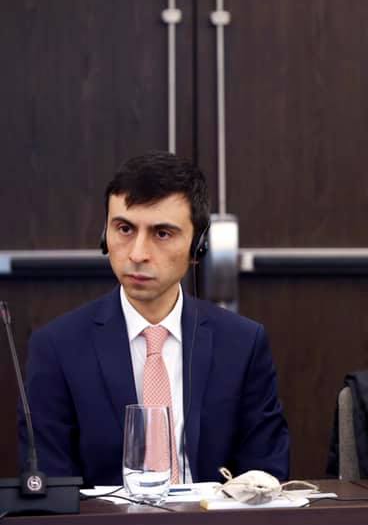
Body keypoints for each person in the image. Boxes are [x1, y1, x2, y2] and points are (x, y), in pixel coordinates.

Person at [19, 153, 290, 485]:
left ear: (198, 247)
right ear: (104, 236)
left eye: (162, 233)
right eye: (124, 229)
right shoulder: (57, 348)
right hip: (104, 520)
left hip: (214, 519)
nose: (137, 254)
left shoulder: (243, 344)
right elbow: (50, 485)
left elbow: (265, 476)